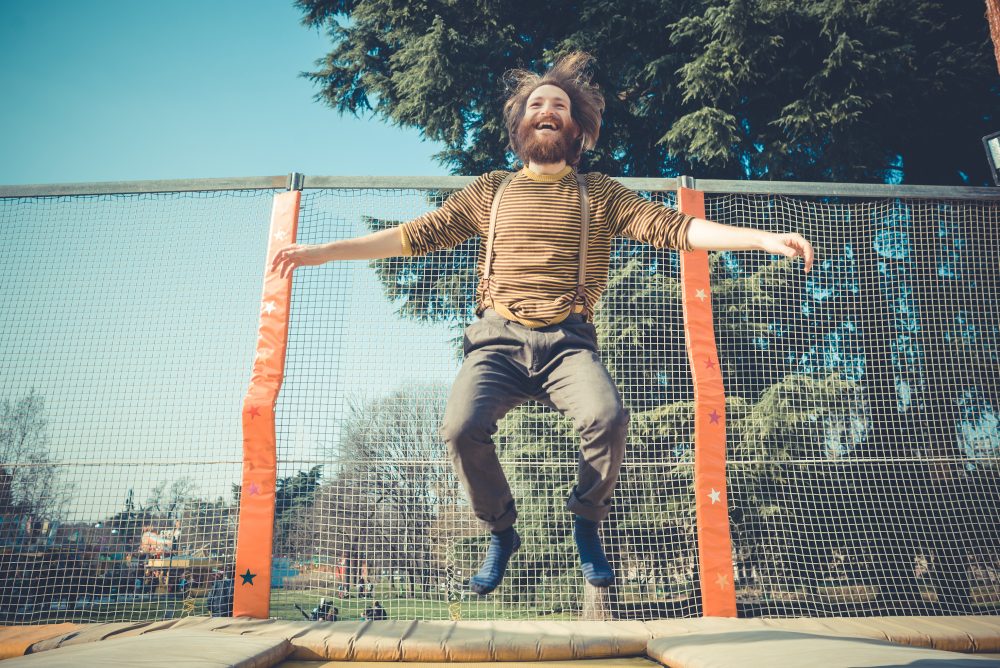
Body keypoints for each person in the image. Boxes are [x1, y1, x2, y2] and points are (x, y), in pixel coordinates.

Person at [270, 52, 814, 596]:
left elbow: (677, 229)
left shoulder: (600, 194)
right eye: (537, 104)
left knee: (608, 417)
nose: (547, 110)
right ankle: (501, 532)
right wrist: (327, 252)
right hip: (496, 343)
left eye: (559, 104)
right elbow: (413, 234)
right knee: (459, 429)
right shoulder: (491, 191)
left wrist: (762, 239)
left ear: (576, 126)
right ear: (522, 124)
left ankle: (586, 521)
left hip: (567, 344)